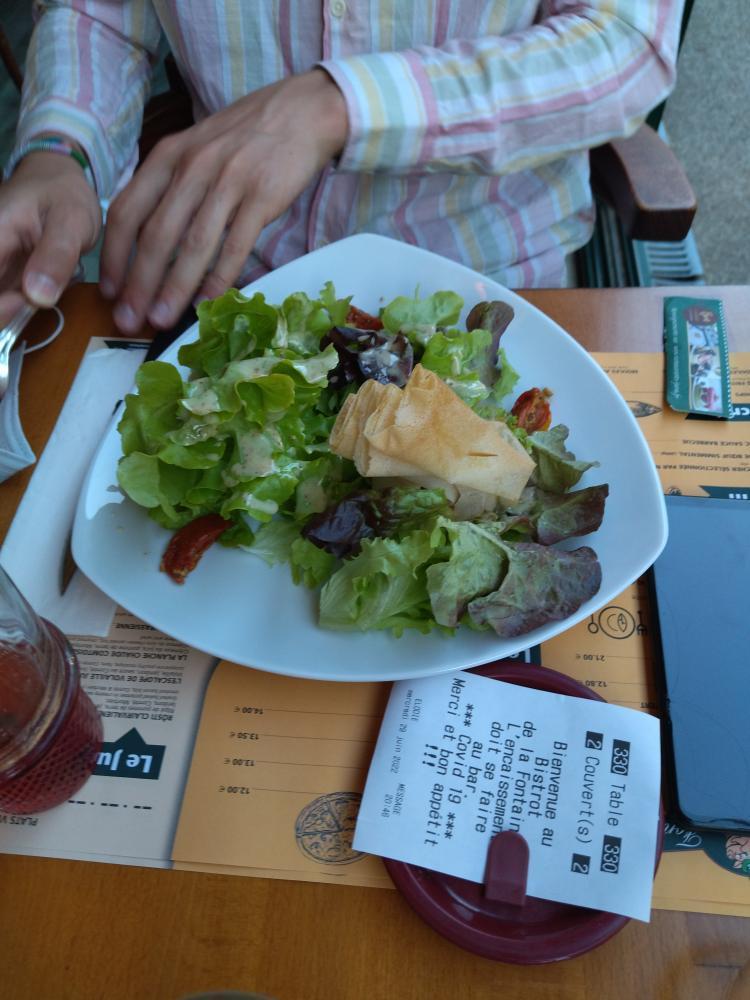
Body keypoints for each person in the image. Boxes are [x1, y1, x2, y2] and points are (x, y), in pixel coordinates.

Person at [0, 1, 684, 333]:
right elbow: (101, 14)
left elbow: (623, 42)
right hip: (222, 291)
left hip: (489, 293)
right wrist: (63, 148)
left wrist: (343, 105)